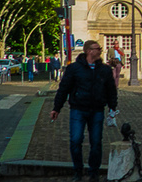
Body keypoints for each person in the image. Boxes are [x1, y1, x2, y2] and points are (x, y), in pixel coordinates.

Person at [50, 40, 118, 182]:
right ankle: (78, 171)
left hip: (97, 110)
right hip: (78, 109)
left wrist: (113, 107)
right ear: (89, 51)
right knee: (75, 140)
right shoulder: (74, 68)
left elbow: (111, 90)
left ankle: (93, 172)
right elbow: (64, 88)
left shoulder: (105, 70)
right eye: (97, 48)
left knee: (96, 142)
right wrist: (57, 108)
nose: (100, 50)